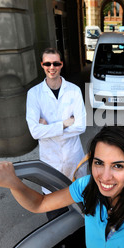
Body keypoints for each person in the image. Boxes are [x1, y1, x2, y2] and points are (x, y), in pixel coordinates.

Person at [26, 47, 86, 217]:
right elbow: (34, 132)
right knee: (54, 211)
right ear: (42, 65)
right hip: (50, 160)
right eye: (47, 63)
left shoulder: (74, 90)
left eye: (55, 63)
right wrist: (65, 124)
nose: (51, 67)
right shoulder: (34, 94)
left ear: (61, 64)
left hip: (73, 157)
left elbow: (81, 126)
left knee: (80, 206)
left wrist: (47, 128)